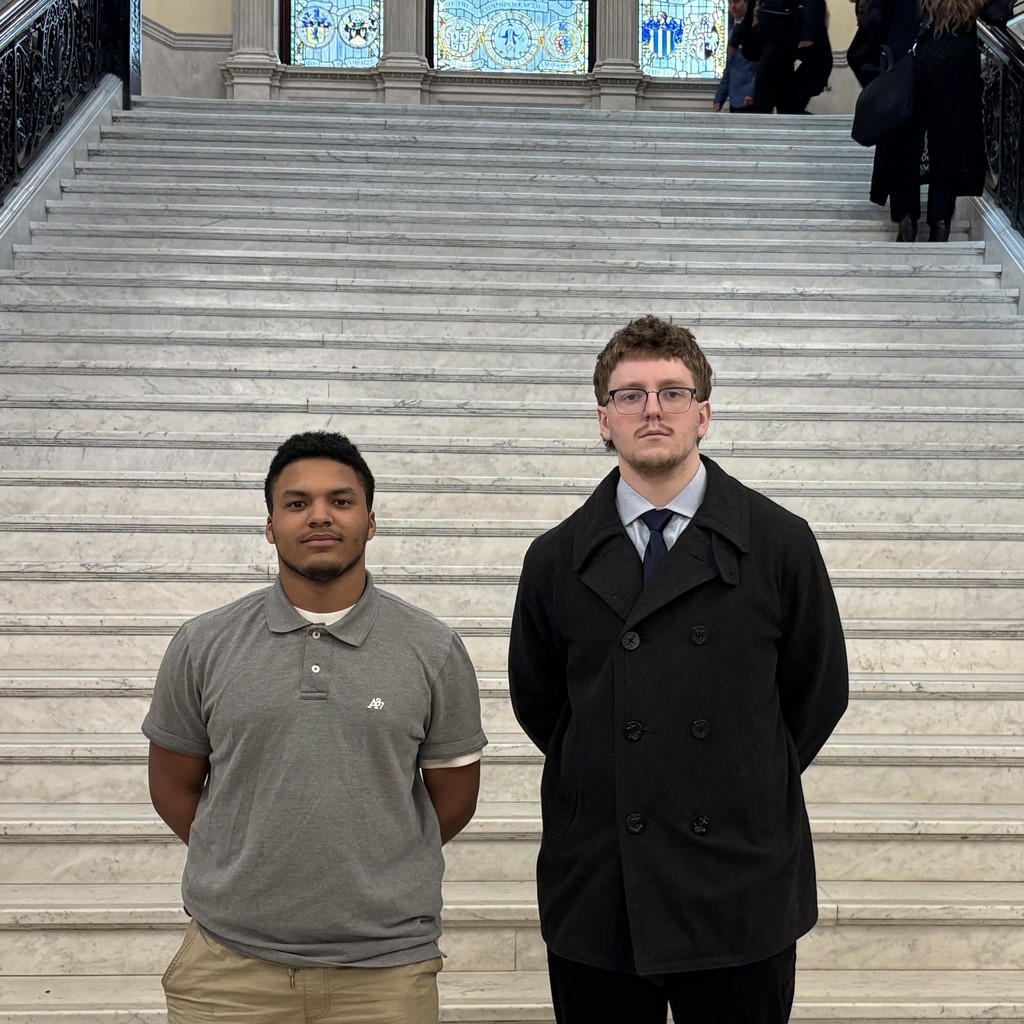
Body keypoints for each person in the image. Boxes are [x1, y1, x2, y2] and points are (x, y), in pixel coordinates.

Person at [508, 315, 849, 1024]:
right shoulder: (555, 556)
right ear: (604, 420)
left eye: (671, 391)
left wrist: (736, 775)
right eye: (629, 395)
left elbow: (817, 692)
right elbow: (543, 704)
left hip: (738, 880)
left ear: (704, 414)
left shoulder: (779, 541)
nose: (652, 409)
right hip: (601, 882)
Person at [143, 431, 486, 1024]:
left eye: (342, 501)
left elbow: (452, 801)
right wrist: (247, 858)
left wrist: (374, 862)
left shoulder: (434, 648)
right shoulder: (203, 644)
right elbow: (173, 788)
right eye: (297, 503)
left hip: (387, 972)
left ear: (371, 521)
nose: (320, 515)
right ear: (270, 525)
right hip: (228, 970)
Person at [861, 0, 1010, 241]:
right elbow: (998, 12)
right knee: (949, 144)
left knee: (904, 141)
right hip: (957, 65)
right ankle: (940, 222)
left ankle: (906, 219)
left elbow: (874, 17)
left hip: (909, 63)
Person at [738, 0, 832, 111]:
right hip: (779, 33)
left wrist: (807, 36)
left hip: (791, 36)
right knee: (775, 96)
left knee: (779, 97)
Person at [714, 0, 758, 111]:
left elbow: (759, 68)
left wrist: (752, 92)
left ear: (747, 4)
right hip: (734, 99)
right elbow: (730, 67)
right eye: (730, 3)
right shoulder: (732, 31)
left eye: (736, 2)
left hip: (751, 99)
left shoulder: (755, 31)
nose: (732, 6)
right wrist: (720, 97)